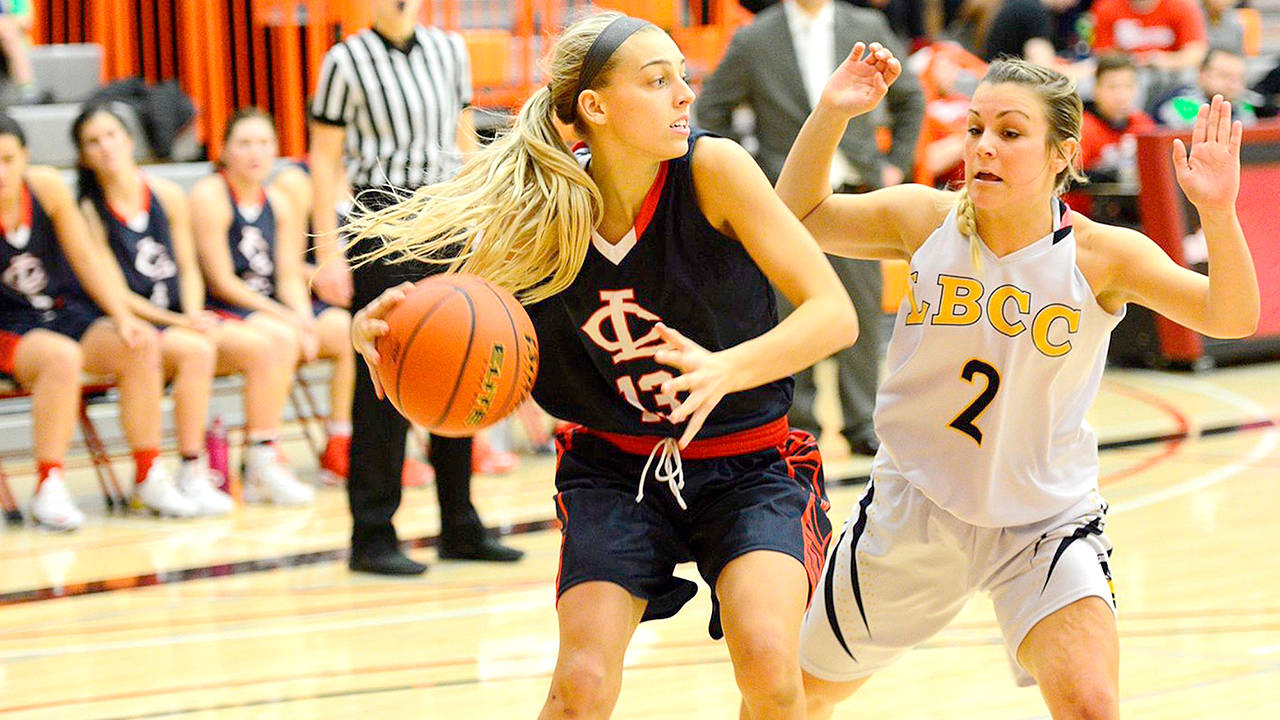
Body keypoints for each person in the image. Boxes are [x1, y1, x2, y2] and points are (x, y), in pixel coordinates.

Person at [348, 12, 860, 718]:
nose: (685, 94)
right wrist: (372, 329)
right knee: (580, 685)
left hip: (750, 466)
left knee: (771, 669)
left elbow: (833, 313)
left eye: (683, 77)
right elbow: (447, 310)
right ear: (594, 107)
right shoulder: (537, 208)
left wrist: (726, 368)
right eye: (657, 81)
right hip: (616, 471)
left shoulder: (714, 170)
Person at [773, 47, 1258, 718]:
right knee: (790, 701)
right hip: (916, 511)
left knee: (1090, 703)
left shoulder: (1101, 255)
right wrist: (831, 111)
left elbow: (1231, 315)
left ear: (1063, 152)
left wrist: (1220, 214)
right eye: (974, 129)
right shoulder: (925, 220)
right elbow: (794, 217)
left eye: (1009, 132)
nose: (983, 147)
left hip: (1044, 519)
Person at [308, 0, 522, 575]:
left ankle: (461, 524)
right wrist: (328, 251)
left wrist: (485, 213)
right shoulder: (344, 60)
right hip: (380, 222)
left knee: (462, 357)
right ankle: (372, 534)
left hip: (447, 215)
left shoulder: (449, 50)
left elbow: (464, 139)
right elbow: (324, 159)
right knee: (384, 376)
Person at [695, 0, 924, 457]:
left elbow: (910, 98)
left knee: (860, 310)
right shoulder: (754, 38)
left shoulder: (867, 25)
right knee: (789, 312)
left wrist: (896, 163)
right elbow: (711, 112)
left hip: (858, 193)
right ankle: (798, 423)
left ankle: (862, 423)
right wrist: (752, 173)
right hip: (786, 203)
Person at [74, 103, 308, 514]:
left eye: (112, 135)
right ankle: (189, 466)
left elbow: (187, 267)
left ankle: (260, 458)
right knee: (199, 349)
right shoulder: (89, 210)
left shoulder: (164, 194)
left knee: (267, 344)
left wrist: (192, 312)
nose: (106, 147)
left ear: (130, 140)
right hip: (124, 324)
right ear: (83, 155)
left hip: (180, 317)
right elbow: (115, 291)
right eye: (93, 141)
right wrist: (182, 320)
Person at [0, 112, 193, 528]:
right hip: (9, 325)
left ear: (24, 158)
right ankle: (48, 484)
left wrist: (123, 317)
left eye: (7, 159)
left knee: (139, 343)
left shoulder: (46, 188)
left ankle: (148, 475)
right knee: (61, 358)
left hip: (63, 311)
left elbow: (86, 259)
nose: (1, 172)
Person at [189, 109, 349, 506]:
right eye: (244, 144)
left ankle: (340, 442)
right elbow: (221, 280)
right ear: (223, 151)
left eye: (263, 143)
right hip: (224, 309)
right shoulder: (211, 194)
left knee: (345, 330)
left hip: (268, 309)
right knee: (278, 338)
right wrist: (286, 317)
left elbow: (288, 274)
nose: (255, 153)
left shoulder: (278, 200)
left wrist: (303, 317)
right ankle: (264, 456)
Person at [1155, 47, 1259, 127]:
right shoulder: (1180, 105)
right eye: (1224, 75)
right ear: (1202, 74)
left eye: (1239, 78)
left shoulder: (1244, 106)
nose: (1233, 84)